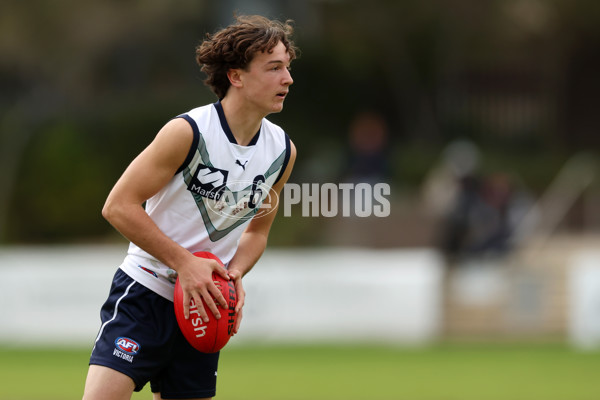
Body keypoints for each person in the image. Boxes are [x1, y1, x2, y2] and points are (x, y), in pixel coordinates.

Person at [82, 15, 298, 400]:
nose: (288, 79)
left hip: (205, 309)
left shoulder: (282, 152)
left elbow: (257, 232)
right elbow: (118, 206)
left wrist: (233, 275)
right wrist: (184, 263)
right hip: (144, 293)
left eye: (287, 67)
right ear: (236, 76)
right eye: (274, 68)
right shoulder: (188, 132)